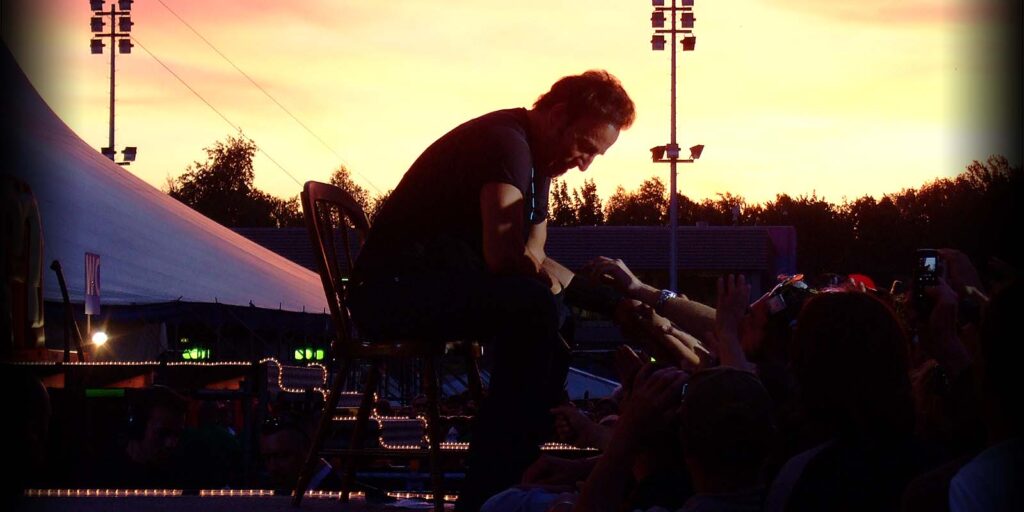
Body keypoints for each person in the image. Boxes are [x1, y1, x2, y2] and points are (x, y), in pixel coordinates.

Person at [349, 70, 635, 511]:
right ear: (558, 115)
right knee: (534, 307)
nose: (584, 164)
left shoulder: (539, 162)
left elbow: (535, 252)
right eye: (584, 146)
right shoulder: (505, 143)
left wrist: (603, 300)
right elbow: (506, 257)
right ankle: (492, 483)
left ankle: (517, 462)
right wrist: (563, 285)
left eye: (594, 155)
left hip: (430, 285)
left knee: (550, 311)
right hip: (391, 293)